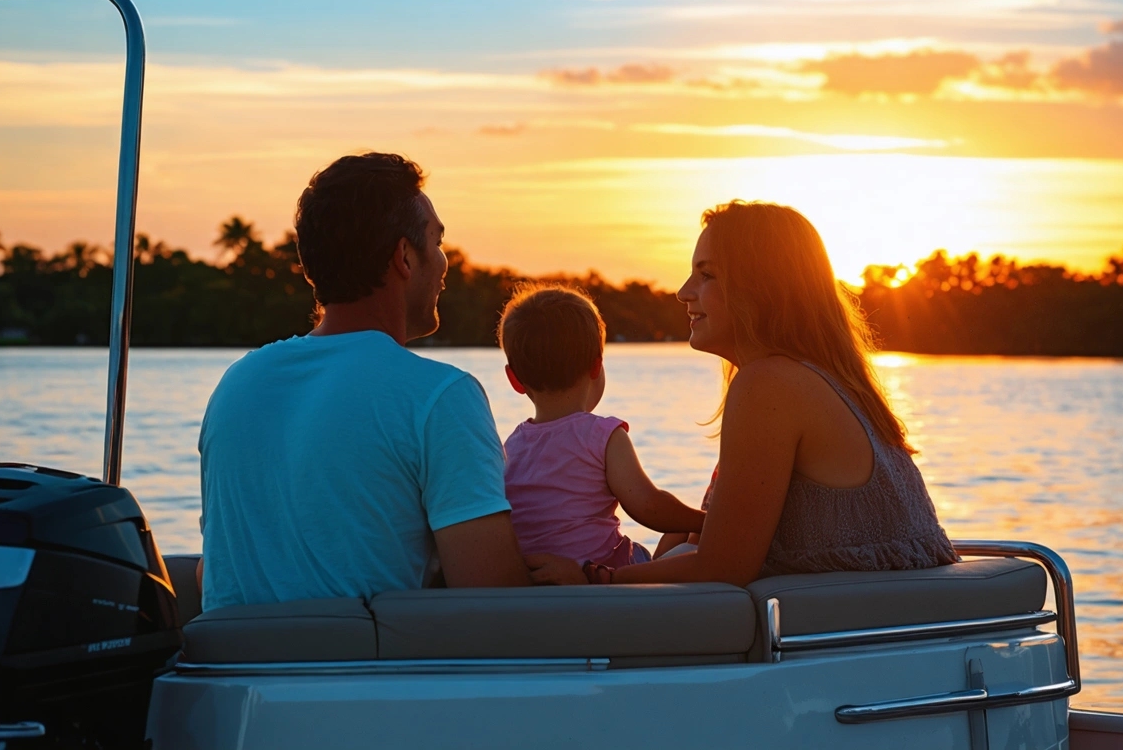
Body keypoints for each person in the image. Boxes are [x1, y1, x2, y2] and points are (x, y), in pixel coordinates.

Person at [526, 201, 958, 587]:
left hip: (850, 644)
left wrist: (594, 577)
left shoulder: (770, 385)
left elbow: (722, 568)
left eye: (707, 274)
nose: (683, 292)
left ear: (761, 288)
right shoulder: (820, 381)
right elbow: (710, 541)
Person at [198, 152, 529, 612]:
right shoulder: (438, 397)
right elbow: (494, 604)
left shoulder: (236, 388)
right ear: (405, 257)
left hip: (228, 677)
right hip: (366, 680)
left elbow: (213, 568)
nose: (444, 263)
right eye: (436, 242)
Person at [497, 284, 705, 568]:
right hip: (603, 575)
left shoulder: (512, 446)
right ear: (597, 366)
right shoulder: (603, 436)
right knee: (686, 530)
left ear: (514, 380)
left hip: (540, 579)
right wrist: (707, 521)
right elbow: (649, 507)